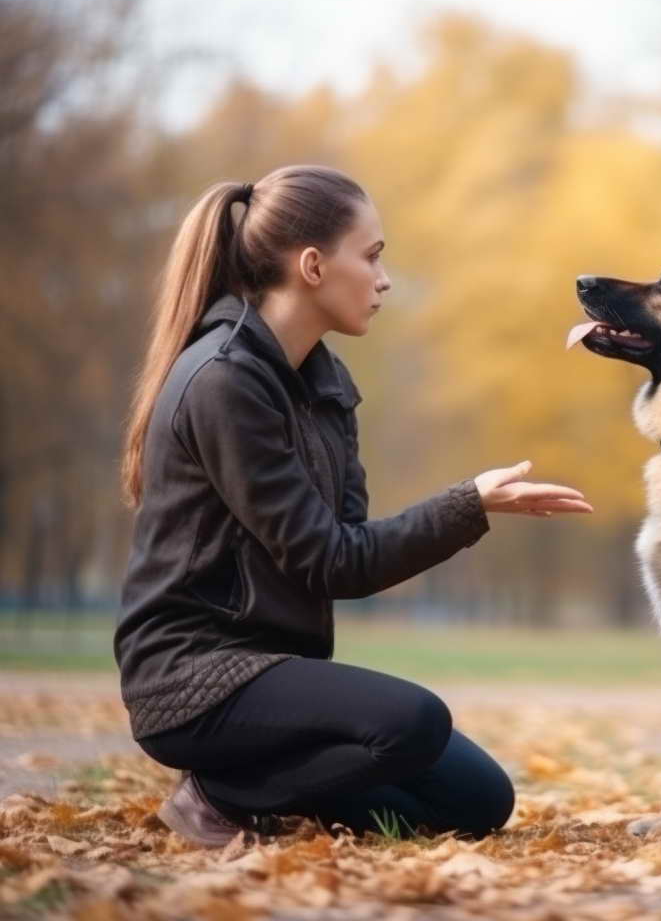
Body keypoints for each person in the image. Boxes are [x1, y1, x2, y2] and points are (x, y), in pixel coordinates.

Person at [114, 164, 593, 848]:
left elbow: (350, 549)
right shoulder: (224, 382)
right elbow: (329, 563)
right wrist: (469, 505)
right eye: (370, 257)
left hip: (276, 671)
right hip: (194, 677)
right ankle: (220, 793)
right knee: (414, 723)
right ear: (312, 265)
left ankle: (274, 794)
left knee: (480, 798)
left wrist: (471, 505)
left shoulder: (323, 381)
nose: (383, 279)